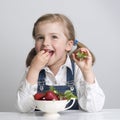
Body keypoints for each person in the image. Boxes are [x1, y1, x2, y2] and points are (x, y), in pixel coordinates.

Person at [16, 13, 105, 112]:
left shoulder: (77, 70)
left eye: (54, 37)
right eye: (40, 37)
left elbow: (94, 108)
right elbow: (24, 108)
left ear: (68, 45)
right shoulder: (32, 71)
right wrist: (33, 70)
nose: (45, 43)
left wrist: (87, 72)